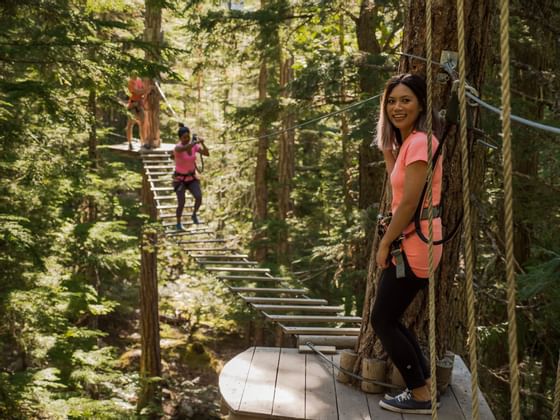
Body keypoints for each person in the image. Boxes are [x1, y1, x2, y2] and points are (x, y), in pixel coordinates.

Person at [370, 73, 444, 415]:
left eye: (406, 100)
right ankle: (424, 385)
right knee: (392, 318)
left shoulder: (421, 142)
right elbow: (398, 185)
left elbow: (410, 203)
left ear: (421, 105)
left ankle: (418, 394)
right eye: (392, 101)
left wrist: (385, 244)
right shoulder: (408, 142)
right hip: (416, 238)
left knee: (382, 321)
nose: (397, 107)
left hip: (416, 241)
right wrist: (389, 140)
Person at [173, 124, 209, 230]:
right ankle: (178, 223)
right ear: (180, 138)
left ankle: (194, 214)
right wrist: (195, 143)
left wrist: (202, 143)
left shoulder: (193, 146)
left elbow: (206, 153)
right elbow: (184, 148)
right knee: (181, 203)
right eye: (184, 137)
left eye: (188, 136)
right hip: (180, 179)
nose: (187, 139)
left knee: (198, 197)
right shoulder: (178, 148)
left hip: (191, 178)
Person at [125, 71, 149, 150]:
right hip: (132, 104)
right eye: (133, 74)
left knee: (143, 123)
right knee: (130, 124)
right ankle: (130, 143)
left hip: (139, 104)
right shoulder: (130, 82)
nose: (135, 76)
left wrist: (145, 92)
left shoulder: (139, 80)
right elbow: (137, 92)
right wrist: (147, 90)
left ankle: (143, 142)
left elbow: (142, 92)